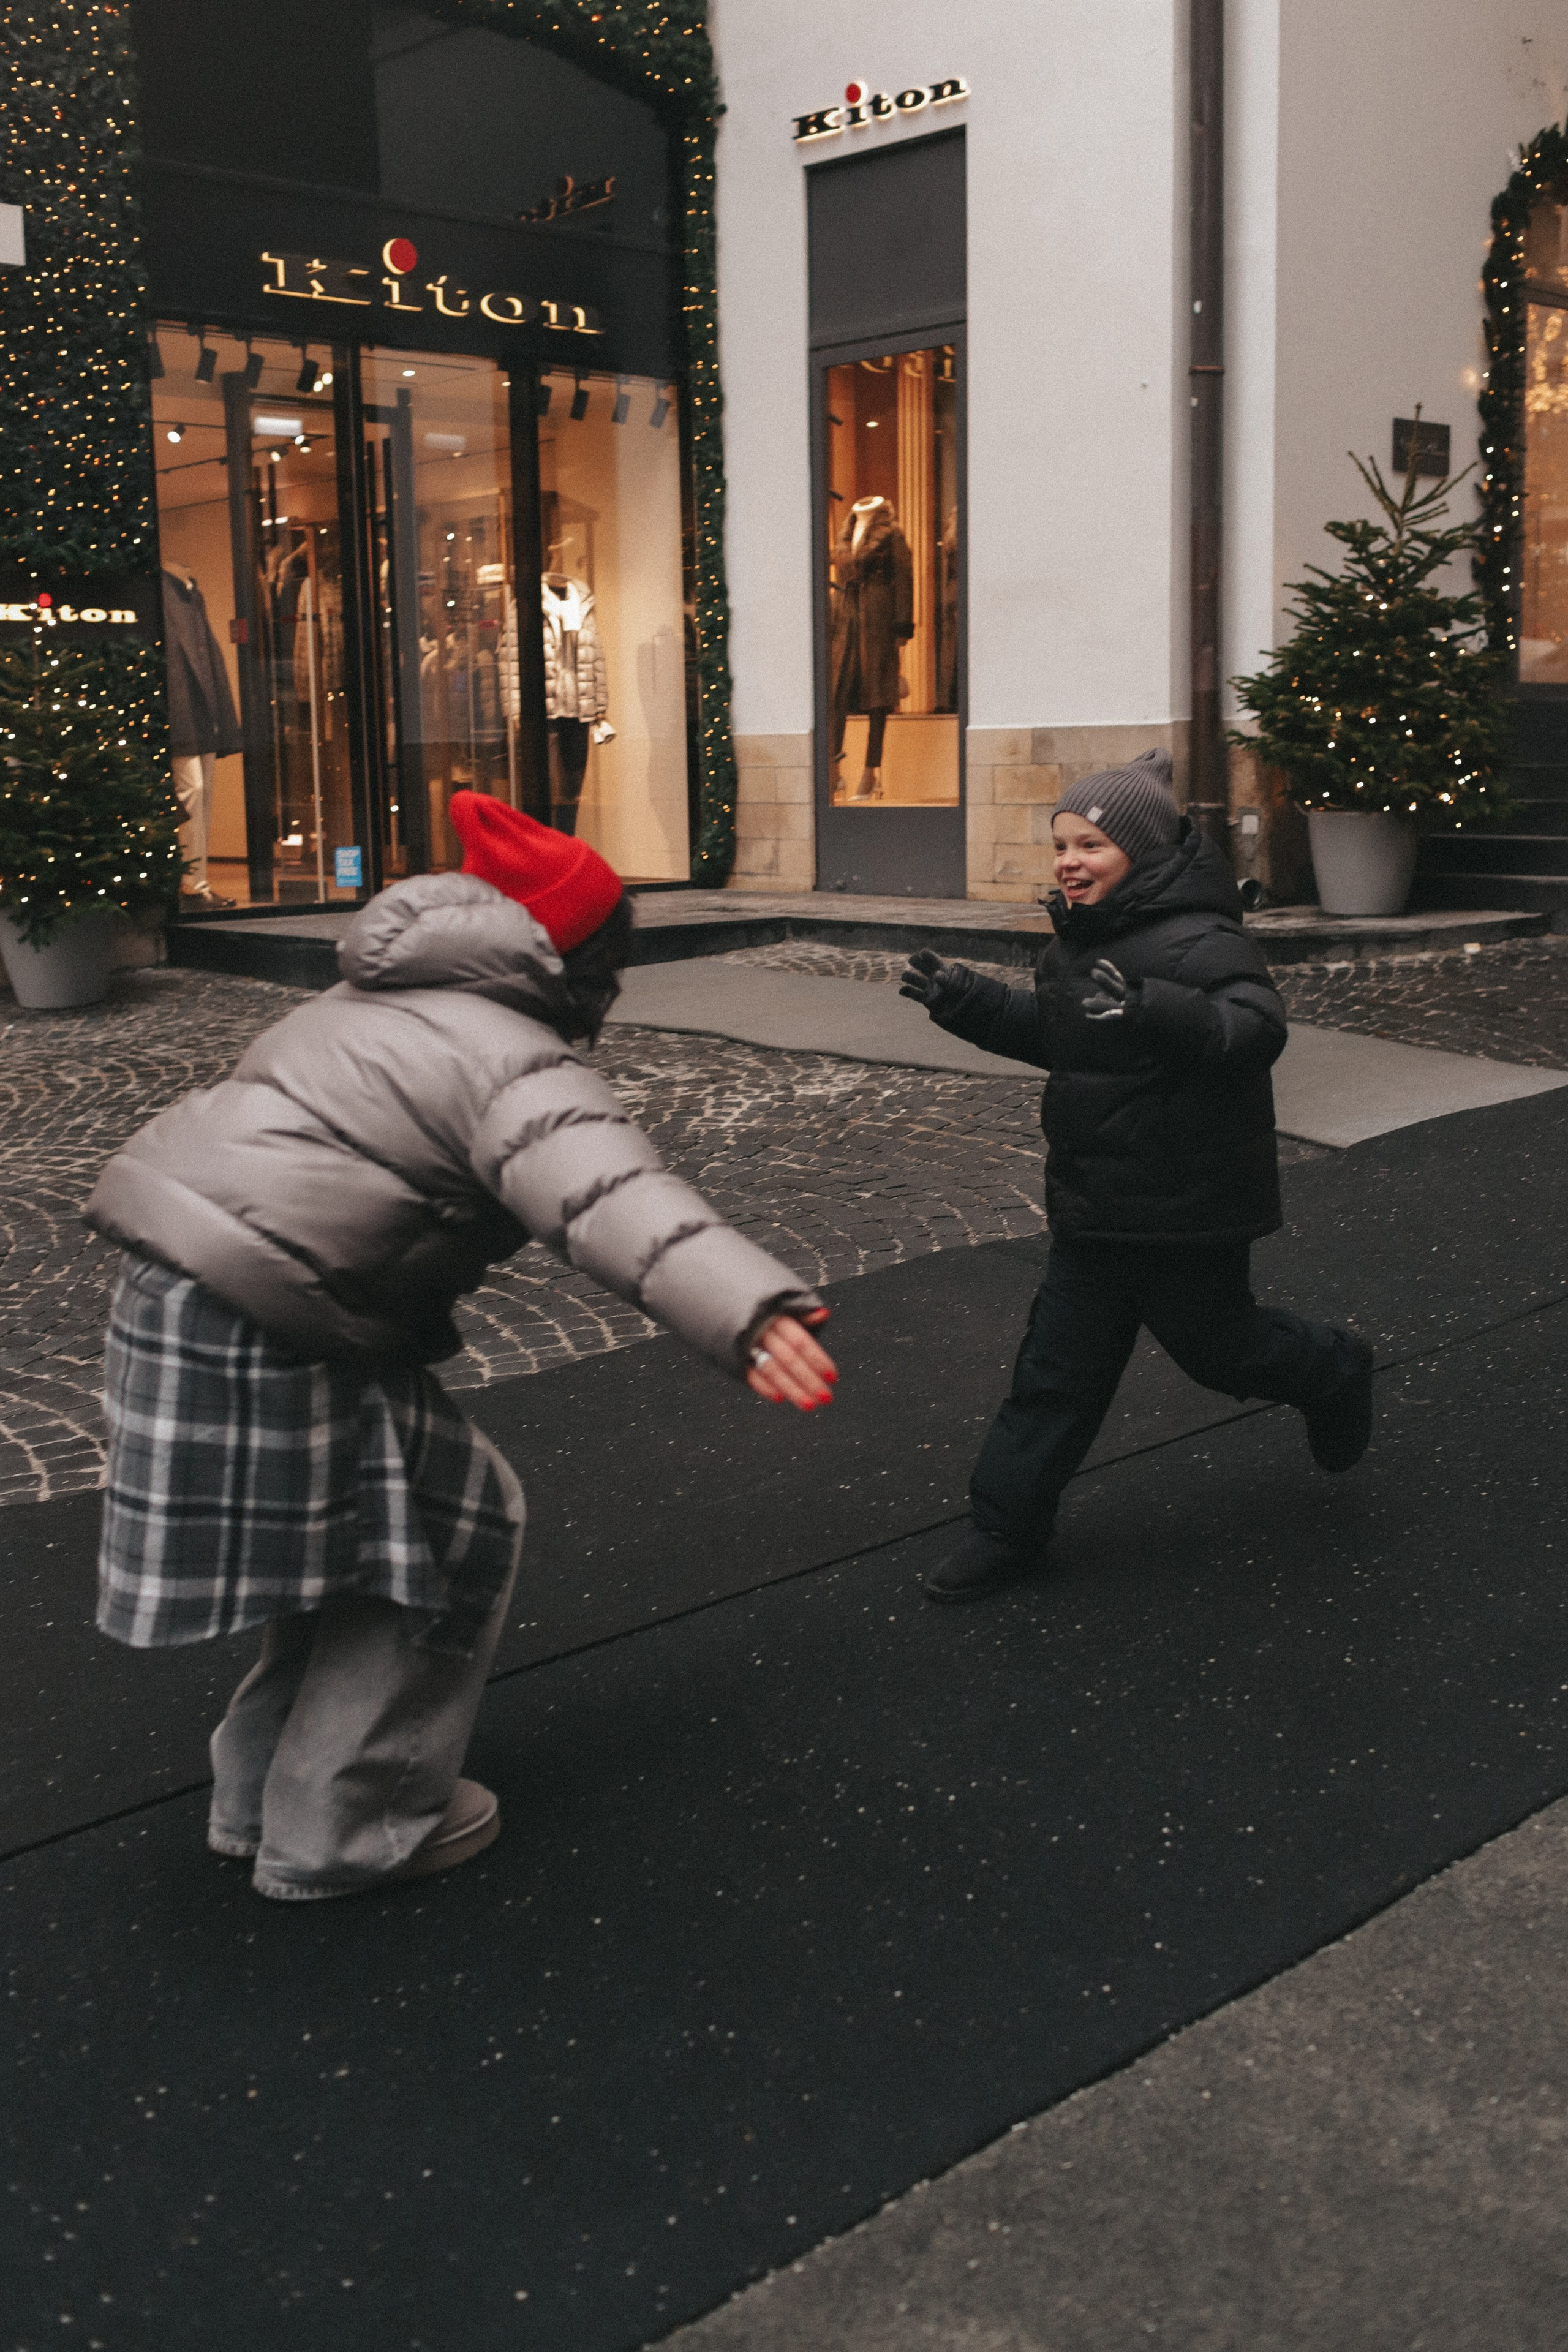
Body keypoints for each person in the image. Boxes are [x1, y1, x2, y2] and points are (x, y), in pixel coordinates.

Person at [83, 794, 837, 1899]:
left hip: (185, 1290)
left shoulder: (359, 1000)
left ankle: (259, 1799)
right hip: (276, 1308)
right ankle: (349, 1822)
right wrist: (748, 1308)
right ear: (580, 956)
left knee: (357, 1542)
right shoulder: (511, 1056)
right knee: (450, 1533)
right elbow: (607, 1191)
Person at [899, 748, 1372, 1604]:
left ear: (1142, 854)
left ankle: (1331, 1370)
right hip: (1097, 1205)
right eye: (1061, 846)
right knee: (1057, 1370)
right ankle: (1007, 1529)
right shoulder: (1078, 948)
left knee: (1220, 1349)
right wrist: (966, 1000)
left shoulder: (1203, 937)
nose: (1069, 863)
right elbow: (1058, 1037)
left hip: (1189, 1205)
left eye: (1089, 846)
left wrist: (1156, 1007)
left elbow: (1254, 1030)